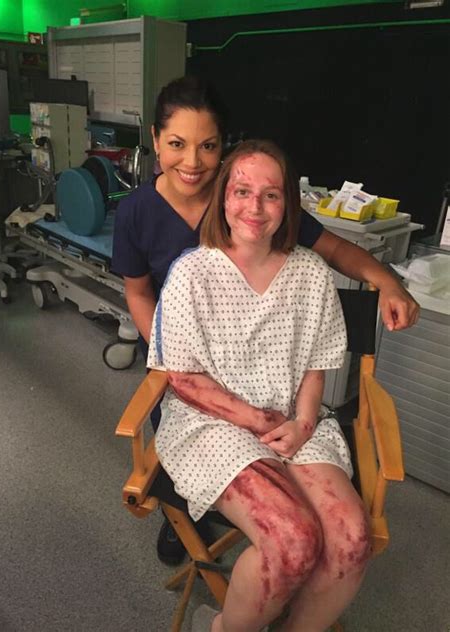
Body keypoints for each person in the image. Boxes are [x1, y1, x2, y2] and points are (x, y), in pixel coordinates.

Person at [111, 76, 419, 566]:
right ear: (154, 140)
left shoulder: (247, 195)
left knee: (301, 514)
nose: (192, 162)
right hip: (191, 371)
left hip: (267, 375)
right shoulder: (137, 213)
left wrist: (388, 282)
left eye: (207, 146)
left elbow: (334, 249)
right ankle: (192, 527)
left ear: (223, 149)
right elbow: (138, 291)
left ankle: (280, 555)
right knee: (192, 467)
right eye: (176, 144)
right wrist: (172, 358)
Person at [148, 139, 370, 632]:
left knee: (352, 540)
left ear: (288, 204)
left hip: (294, 417)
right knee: (292, 541)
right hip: (210, 424)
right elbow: (182, 377)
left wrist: (304, 421)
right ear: (223, 198)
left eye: (271, 195)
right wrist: (256, 420)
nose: (255, 206)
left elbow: (317, 362)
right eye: (242, 190)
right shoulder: (192, 273)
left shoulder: (310, 274)